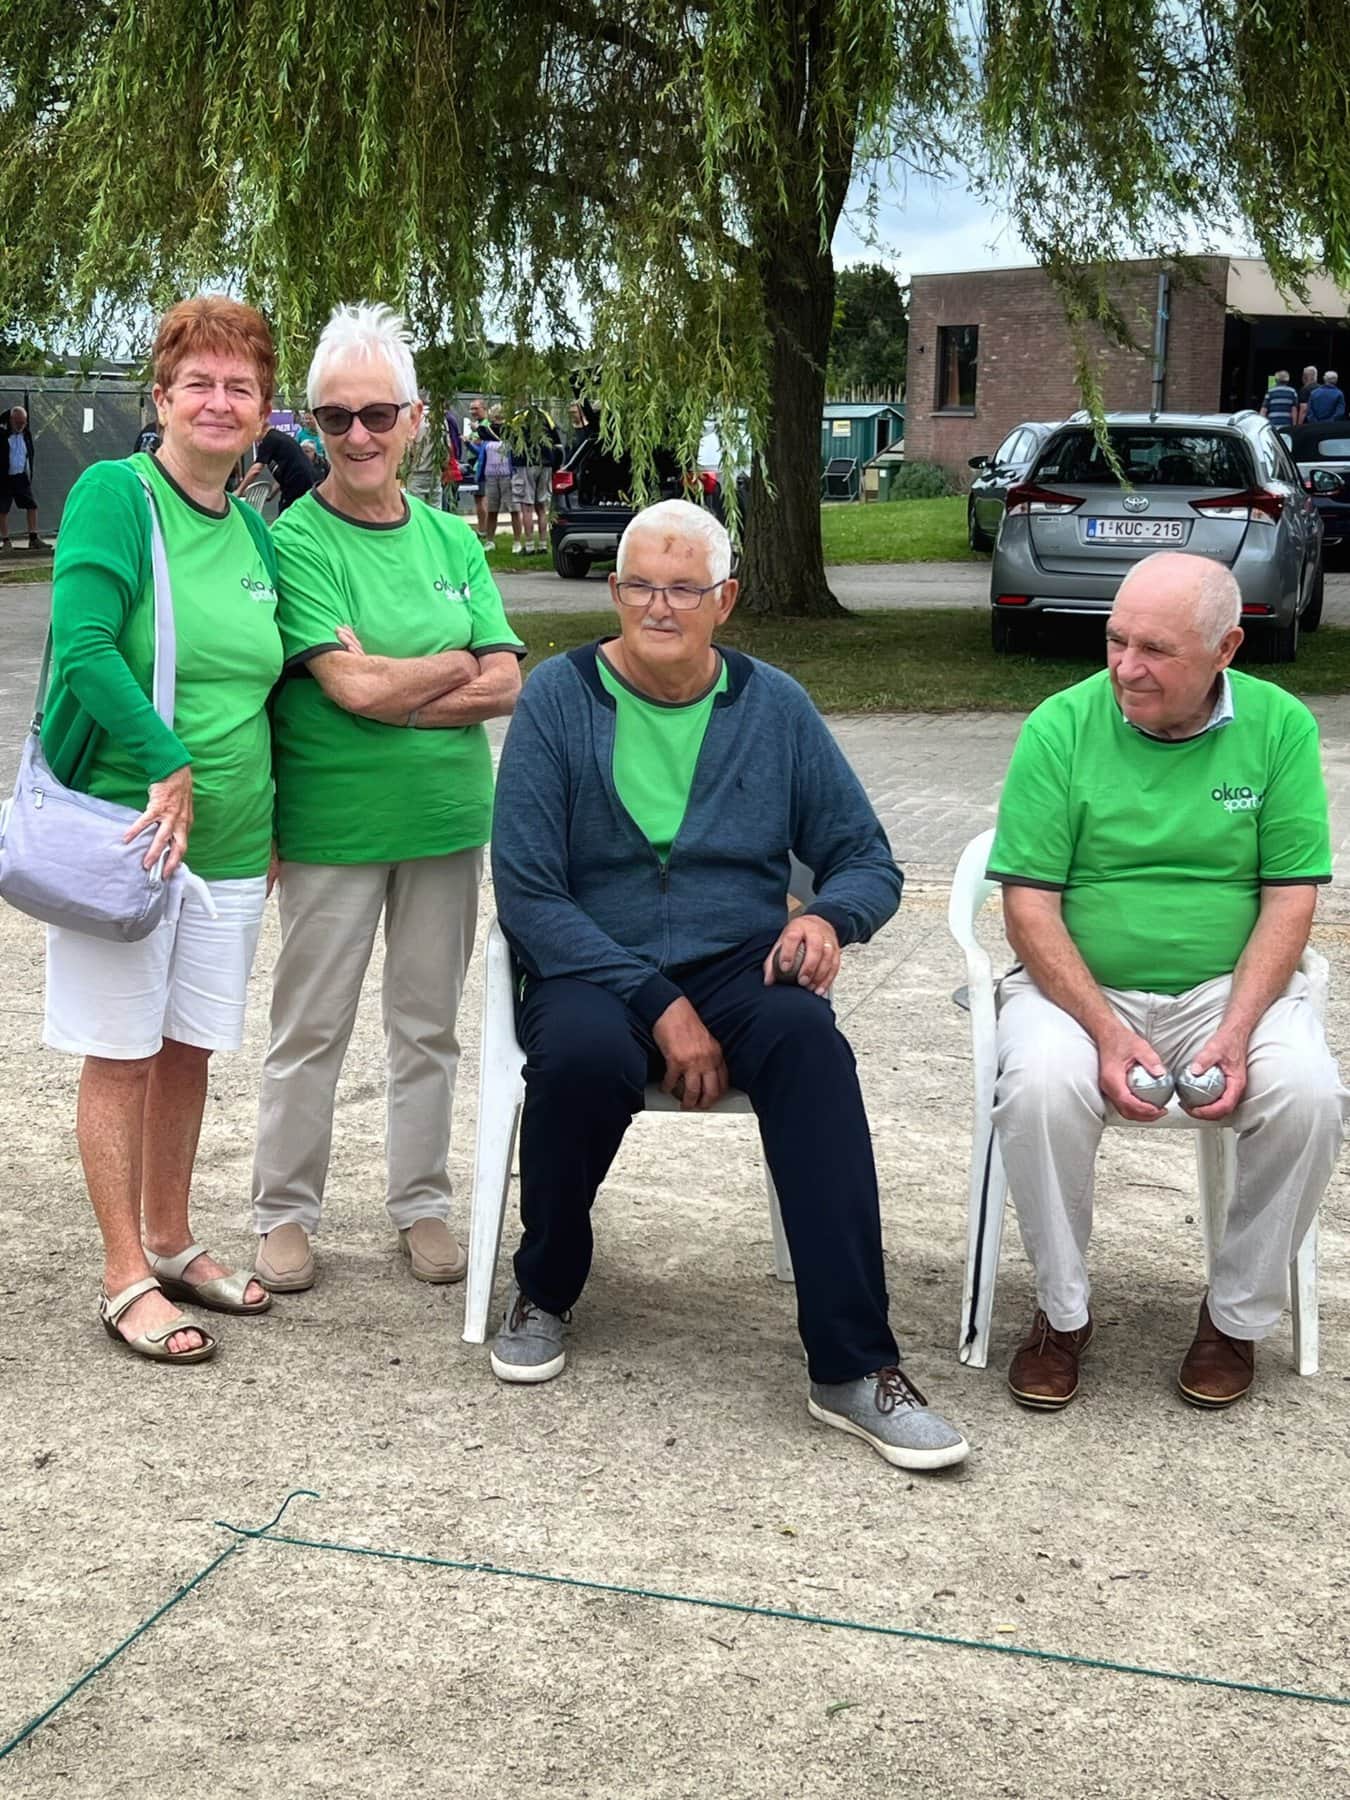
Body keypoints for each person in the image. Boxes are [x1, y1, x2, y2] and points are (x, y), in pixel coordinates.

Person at [488, 497, 969, 1473]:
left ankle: (854, 1364)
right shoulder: (557, 697)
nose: (658, 607)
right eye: (640, 587)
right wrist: (659, 1006)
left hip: (738, 960)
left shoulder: (776, 707)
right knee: (580, 1054)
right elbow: (529, 893)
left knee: (812, 1049)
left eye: (684, 589)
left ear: (726, 600)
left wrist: (827, 919)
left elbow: (868, 859)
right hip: (593, 961)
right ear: (616, 591)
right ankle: (546, 1284)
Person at [987, 551, 1346, 1412]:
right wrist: (1109, 1032)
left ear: (1226, 648)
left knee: (1308, 1097)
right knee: (1037, 1088)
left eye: (1155, 649)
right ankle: (1062, 1313)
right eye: (1116, 641)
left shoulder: (1280, 727)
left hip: (1228, 990)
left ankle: (1234, 1318)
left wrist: (1236, 1028)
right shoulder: (1059, 727)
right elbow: (1029, 906)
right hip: (1076, 990)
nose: (1125, 667)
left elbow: (1290, 899)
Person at [252, 303, 524, 1294]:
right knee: (310, 1028)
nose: (357, 436)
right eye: (334, 418)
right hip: (334, 826)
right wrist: (450, 666)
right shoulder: (298, 543)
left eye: (376, 414)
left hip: (448, 825)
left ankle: (423, 1203)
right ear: (311, 425)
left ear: (415, 419)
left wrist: (406, 683)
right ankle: (283, 1212)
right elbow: (347, 687)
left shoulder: (455, 538)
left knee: (427, 1028)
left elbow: (509, 680)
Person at [42, 296, 283, 1363]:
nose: (220, 402)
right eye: (200, 383)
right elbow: (86, 652)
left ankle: (174, 1237)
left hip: (231, 847)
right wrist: (168, 760)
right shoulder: (114, 496)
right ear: (163, 397)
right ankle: (122, 1273)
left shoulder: (255, 532)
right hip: (130, 834)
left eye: (241, 386)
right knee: (123, 1055)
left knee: (187, 1049)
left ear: (265, 410)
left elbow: (266, 687)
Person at [507, 401, 561, 555]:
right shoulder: (545, 415)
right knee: (542, 506)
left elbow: (510, 439)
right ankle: (543, 544)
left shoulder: (519, 417)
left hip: (526, 463)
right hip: (545, 463)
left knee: (527, 506)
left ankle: (529, 545)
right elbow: (556, 440)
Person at [240, 423, 320, 513]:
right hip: (305, 480)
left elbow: (256, 470)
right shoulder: (279, 438)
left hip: (298, 482)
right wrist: (271, 494)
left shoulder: (269, 439)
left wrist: (239, 490)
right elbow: (284, 472)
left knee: (287, 514)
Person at [1, 405, 43, 550]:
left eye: (23, 423)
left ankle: (33, 538)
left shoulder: (26, 434)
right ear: (11, 420)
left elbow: (30, 453)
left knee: (32, 505)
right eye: (18, 422)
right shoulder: (2, 434)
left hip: (20, 476)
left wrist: (28, 471)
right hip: (4, 477)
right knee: (2, 510)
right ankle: (6, 541)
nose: (20, 426)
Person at [476, 403, 515, 552]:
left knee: (514, 509)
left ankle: (517, 541)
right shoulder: (485, 431)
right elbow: (482, 453)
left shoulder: (510, 431)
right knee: (492, 509)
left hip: (507, 474)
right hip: (491, 475)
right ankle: (490, 540)